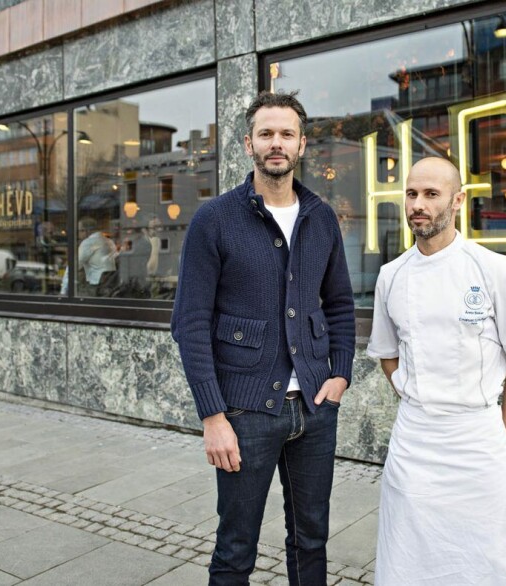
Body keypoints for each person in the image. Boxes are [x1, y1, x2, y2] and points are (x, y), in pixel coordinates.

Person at [170, 90, 355, 585]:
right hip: (244, 412)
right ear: (248, 142)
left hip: (315, 407)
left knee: (312, 539)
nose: (277, 143)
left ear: (301, 145)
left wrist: (339, 375)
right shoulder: (216, 219)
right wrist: (213, 416)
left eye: (287, 134)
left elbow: (338, 304)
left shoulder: (321, 218)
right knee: (235, 549)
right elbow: (189, 323)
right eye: (267, 133)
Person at [367, 156, 506, 585]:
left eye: (431, 194)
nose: (418, 204)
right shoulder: (391, 277)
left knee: (496, 559)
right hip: (414, 440)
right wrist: (417, 398)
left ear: (458, 200)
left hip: (477, 438)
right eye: (411, 194)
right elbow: (387, 354)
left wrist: (498, 433)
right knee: (409, 557)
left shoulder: (494, 269)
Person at [77, 217, 119, 297]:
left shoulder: (87, 242)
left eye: (79, 231)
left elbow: (75, 267)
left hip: (95, 286)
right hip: (109, 285)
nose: (78, 234)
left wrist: (63, 290)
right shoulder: (109, 241)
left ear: (86, 231)